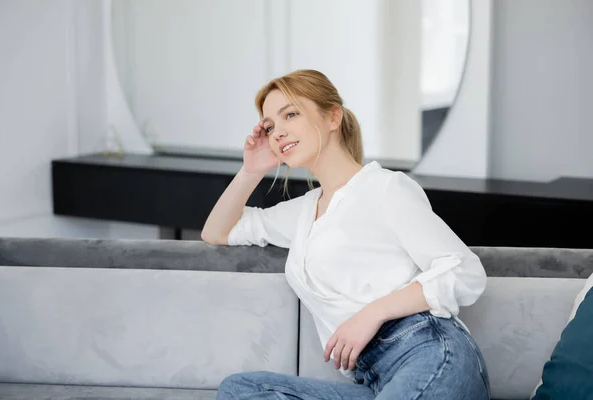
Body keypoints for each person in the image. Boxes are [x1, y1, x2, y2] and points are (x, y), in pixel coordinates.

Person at [202, 69, 491, 400]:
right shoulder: (302, 212)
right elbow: (217, 232)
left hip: (428, 351)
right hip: (373, 382)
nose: (277, 133)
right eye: (269, 127)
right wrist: (251, 170)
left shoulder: (384, 188)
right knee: (240, 390)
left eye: (290, 115)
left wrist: (372, 313)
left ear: (332, 117)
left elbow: (466, 271)